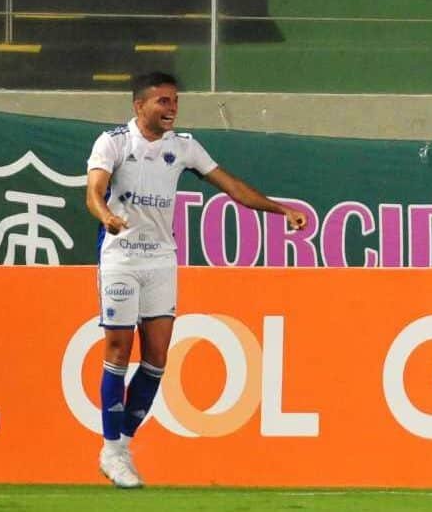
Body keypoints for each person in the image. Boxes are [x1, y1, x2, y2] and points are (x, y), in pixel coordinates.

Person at [85, 72, 307, 488]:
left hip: (161, 260)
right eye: (163, 102)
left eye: (174, 103)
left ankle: (122, 447)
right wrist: (107, 217)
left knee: (156, 358)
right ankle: (112, 448)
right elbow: (93, 191)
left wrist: (280, 210)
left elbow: (233, 188)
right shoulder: (113, 142)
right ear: (140, 107)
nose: (171, 110)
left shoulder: (183, 147)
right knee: (118, 348)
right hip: (120, 257)